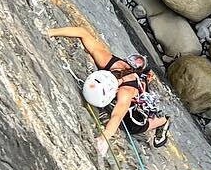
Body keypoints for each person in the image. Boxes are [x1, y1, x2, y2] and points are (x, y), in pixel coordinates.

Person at [47, 23, 170, 155]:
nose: (124, 64)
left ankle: (164, 121)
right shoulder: (109, 61)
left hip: (133, 108)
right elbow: (82, 32)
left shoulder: (127, 91)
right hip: (121, 82)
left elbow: (117, 115)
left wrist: (104, 137)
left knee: (133, 126)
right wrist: (49, 32)